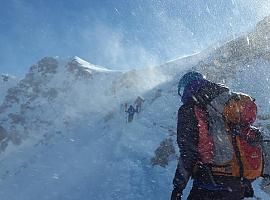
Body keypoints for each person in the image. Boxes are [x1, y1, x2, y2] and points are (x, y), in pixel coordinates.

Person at [171, 71, 264, 200]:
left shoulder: (190, 109)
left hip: (210, 183)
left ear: (187, 87)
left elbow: (188, 152)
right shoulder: (226, 100)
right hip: (236, 185)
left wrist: (178, 187)